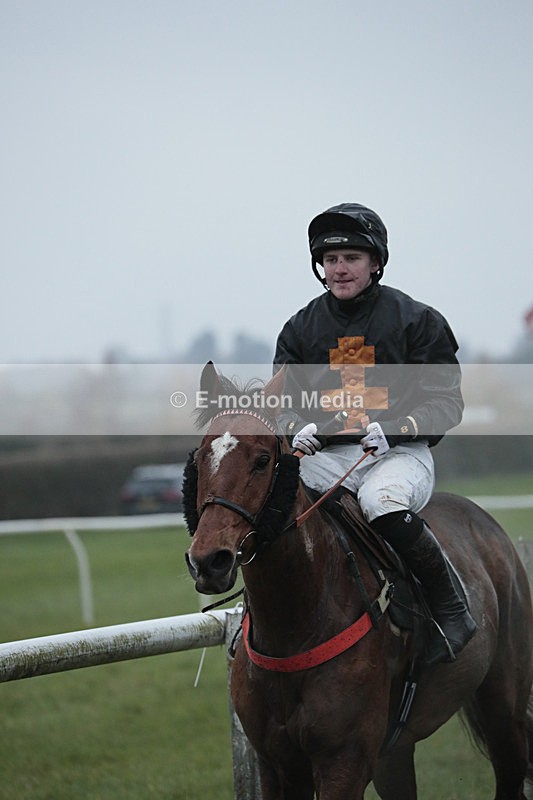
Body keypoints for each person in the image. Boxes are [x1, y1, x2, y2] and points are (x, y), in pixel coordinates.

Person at [274, 202, 476, 665]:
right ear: (320, 268)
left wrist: (399, 429)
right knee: (278, 503)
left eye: (351, 258)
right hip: (327, 459)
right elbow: (282, 407)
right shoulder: (299, 328)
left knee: (379, 503)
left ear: (375, 262)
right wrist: (294, 431)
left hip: (399, 457)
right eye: (330, 260)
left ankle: (449, 609)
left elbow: (448, 404)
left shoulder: (419, 321)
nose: (339, 269)